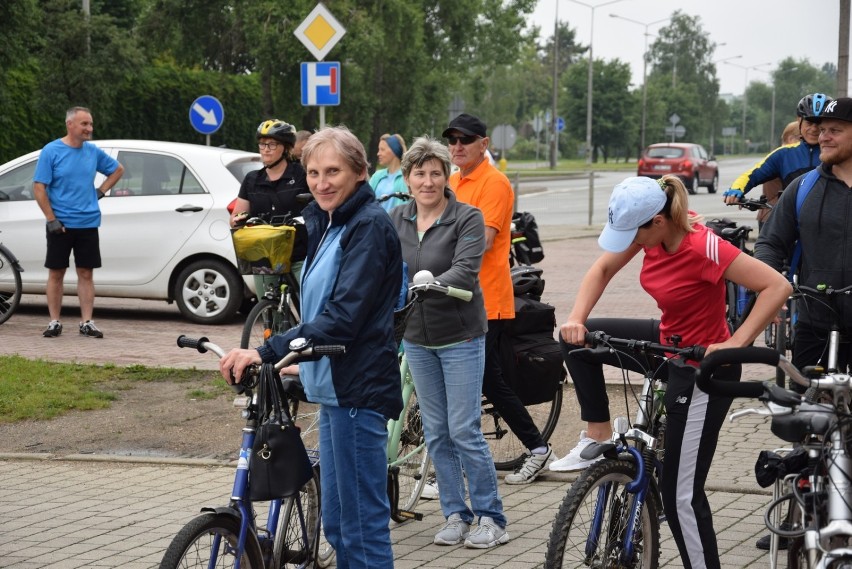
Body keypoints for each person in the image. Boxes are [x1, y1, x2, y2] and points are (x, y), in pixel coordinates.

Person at [553, 175, 790, 569]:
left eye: (635, 234)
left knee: (681, 495)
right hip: (667, 344)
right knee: (575, 344)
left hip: (705, 368)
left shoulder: (703, 245)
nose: (632, 241)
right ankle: (595, 433)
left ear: (658, 222)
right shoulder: (649, 232)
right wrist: (576, 317)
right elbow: (601, 270)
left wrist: (736, 342)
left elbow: (777, 287)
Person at [219, 126, 402, 569]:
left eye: (334, 171)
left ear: (360, 173)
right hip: (336, 385)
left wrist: (267, 351)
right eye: (315, 172)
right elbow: (318, 311)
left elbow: (344, 316)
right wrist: (299, 361)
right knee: (339, 523)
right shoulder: (331, 221)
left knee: (361, 526)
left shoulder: (368, 227)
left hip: (358, 390)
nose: (322, 182)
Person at [390, 137, 509, 549]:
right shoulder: (397, 219)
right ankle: (456, 513)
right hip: (417, 338)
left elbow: (465, 270)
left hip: (460, 336)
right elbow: (385, 267)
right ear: (407, 179)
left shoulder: (466, 218)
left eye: (435, 172)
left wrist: (432, 283)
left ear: (447, 176)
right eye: (419, 173)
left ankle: (491, 517)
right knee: (437, 432)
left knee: (464, 430)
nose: (427, 181)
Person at [444, 113, 554, 485]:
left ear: (483, 143)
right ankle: (458, 463)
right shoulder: (451, 181)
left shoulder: (494, 183)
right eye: (452, 140)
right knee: (476, 381)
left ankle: (537, 450)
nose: (457, 146)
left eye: (465, 139)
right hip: (453, 296)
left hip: (484, 300)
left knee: (484, 381)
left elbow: (484, 241)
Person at [33, 106, 125, 339]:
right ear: (70, 124)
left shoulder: (92, 152)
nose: (89, 129)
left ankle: (87, 322)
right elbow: (39, 187)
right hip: (60, 223)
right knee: (56, 273)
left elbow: (117, 169)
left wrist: (101, 191)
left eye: (90, 124)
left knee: (86, 273)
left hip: (88, 222)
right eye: (84, 124)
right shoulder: (51, 151)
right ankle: (54, 321)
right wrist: (51, 219)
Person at [229, 119, 309, 288]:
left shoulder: (301, 175)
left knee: (309, 306)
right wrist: (238, 219)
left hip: (298, 254)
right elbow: (236, 215)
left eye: (272, 144)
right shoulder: (252, 179)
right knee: (268, 308)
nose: (265, 149)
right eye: (262, 144)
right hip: (265, 257)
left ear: (285, 148)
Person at [723, 93, 833, 212]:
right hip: (792, 222)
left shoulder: (837, 153)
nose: (813, 129)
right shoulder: (784, 154)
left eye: (819, 124)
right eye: (809, 123)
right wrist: (736, 189)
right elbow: (752, 175)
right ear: (799, 121)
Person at [756, 120, 802, 227]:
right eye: (802, 138)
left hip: (767, 213)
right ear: (791, 139)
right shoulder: (785, 158)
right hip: (777, 217)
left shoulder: (776, 156)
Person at [369, 133, 408, 212]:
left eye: (382, 149)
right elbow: (366, 201)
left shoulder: (406, 178)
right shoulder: (377, 176)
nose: (378, 153)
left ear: (394, 150)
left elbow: (405, 208)